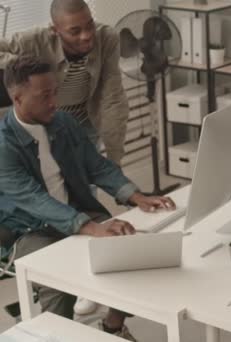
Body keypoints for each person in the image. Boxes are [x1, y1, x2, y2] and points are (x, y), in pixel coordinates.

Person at [0, 55, 175, 341]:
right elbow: (35, 201)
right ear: (18, 98)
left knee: (127, 251)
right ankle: (55, 335)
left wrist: (135, 195)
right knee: (58, 281)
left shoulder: (63, 122)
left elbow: (97, 165)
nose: (54, 102)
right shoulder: (4, 146)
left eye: (55, 92)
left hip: (76, 211)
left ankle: (113, 326)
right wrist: (93, 228)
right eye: (45, 95)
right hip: (30, 228)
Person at [0, 0, 129, 165]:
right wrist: (27, 66)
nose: (86, 35)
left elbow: (113, 98)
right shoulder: (34, 40)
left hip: (85, 122)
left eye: (90, 25)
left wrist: (115, 159)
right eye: (75, 31)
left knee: (86, 184)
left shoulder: (107, 38)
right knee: (53, 183)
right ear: (55, 30)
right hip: (45, 125)